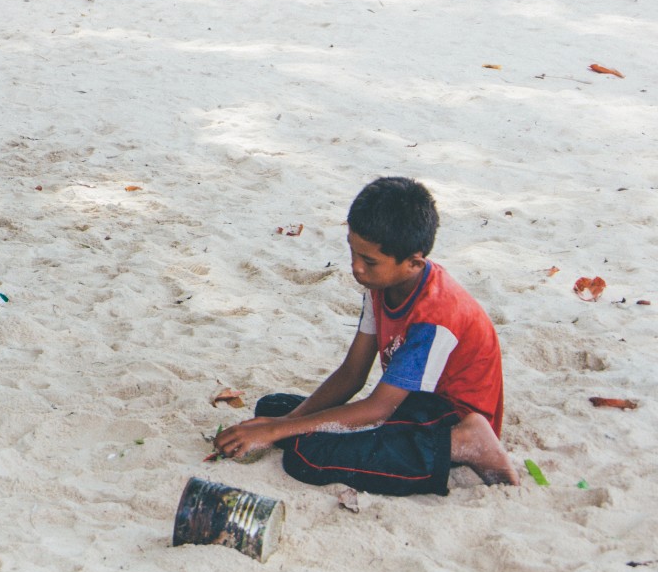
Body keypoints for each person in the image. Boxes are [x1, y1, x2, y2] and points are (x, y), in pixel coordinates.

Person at [212, 176, 514, 494]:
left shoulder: (435, 317)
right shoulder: (380, 284)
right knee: (272, 408)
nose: (356, 267)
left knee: (306, 457)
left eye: (369, 261)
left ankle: (465, 443)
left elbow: (378, 408)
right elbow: (352, 374)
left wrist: (279, 431)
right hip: (407, 405)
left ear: (414, 263)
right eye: (353, 252)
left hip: (443, 420)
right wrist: (280, 424)